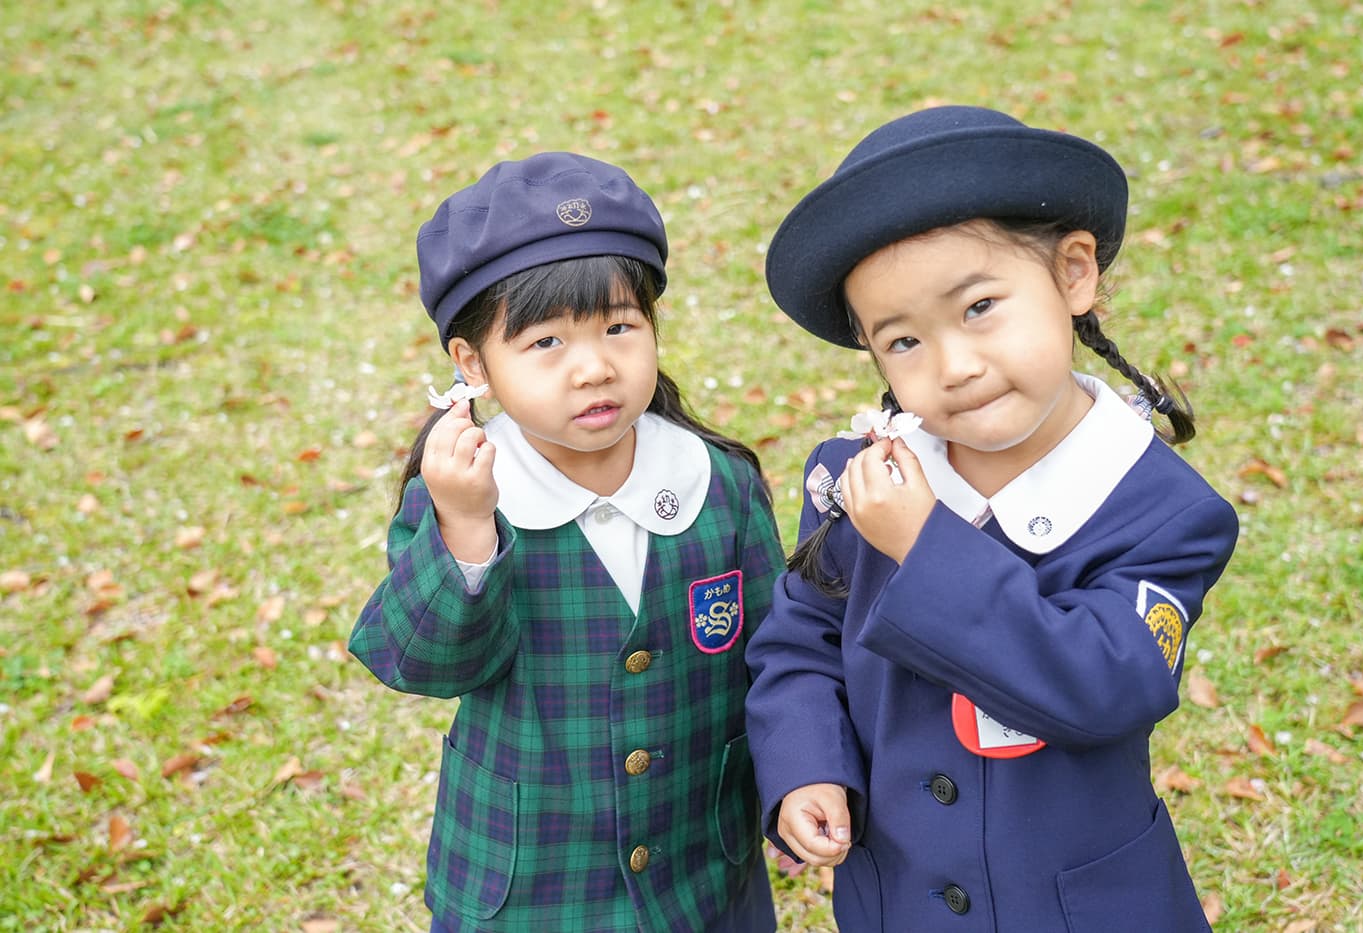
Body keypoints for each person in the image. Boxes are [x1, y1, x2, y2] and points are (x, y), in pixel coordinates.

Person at [745, 106, 1239, 932]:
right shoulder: (855, 480)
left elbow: (1106, 681)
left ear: (1073, 273)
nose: (955, 365)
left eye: (978, 307)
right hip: (896, 899)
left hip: (1086, 909)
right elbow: (802, 642)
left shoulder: (1162, 508)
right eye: (903, 341)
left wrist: (924, 546)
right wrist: (806, 766)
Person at [349, 152, 783, 932]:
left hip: (704, 868)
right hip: (532, 883)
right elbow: (418, 662)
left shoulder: (719, 484)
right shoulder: (465, 495)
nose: (594, 368)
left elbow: (779, 655)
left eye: (620, 327)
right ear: (474, 364)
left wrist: (799, 778)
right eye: (546, 342)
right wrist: (468, 527)